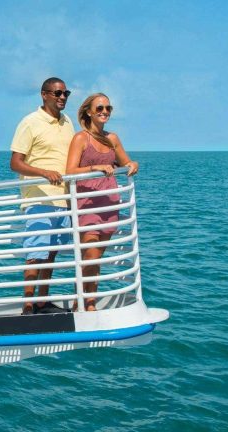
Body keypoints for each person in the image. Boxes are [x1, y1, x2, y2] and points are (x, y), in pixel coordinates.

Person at [66, 93, 139, 311]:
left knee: (97, 256)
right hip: (86, 202)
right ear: (89, 111)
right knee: (89, 254)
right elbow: (69, 171)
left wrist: (133, 164)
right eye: (99, 108)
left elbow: (126, 162)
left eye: (108, 108)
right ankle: (84, 301)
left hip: (109, 203)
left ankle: (87, 300)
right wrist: (94, 168)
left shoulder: (113, 138)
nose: (104, 112)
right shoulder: (81, 138)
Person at [10, 77, 75, 315]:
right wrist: (43, 173)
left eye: (65, 93)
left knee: (51, 253)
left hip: (63, 198)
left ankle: (42, 301)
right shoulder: (30, 122)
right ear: (44, 94)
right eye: (57, 93)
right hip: (38, 198)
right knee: (35, 254)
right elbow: (15, 163)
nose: (62, 97)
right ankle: (27, 306)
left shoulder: (67, 122)